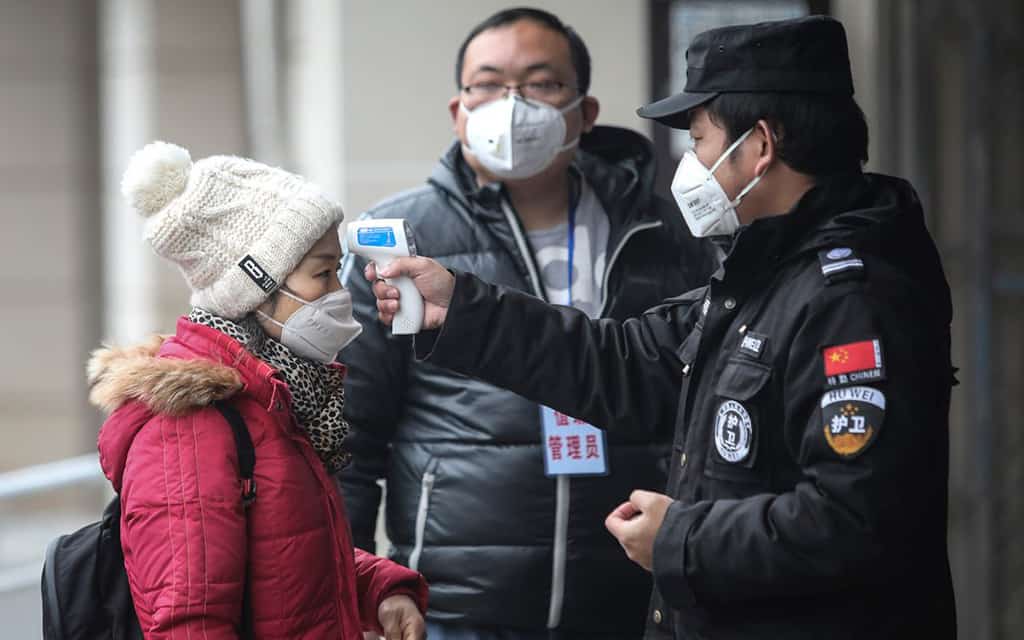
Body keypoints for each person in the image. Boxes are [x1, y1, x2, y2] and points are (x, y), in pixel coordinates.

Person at [363, 16, 957, 640]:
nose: (691, 163)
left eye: (699, 139)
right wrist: (460, 309)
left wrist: (680, 538)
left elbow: (853, 518)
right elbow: (628, 364)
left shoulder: (851, 298)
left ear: (759, 147)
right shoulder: (762, 276)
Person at [336, 7, 716, 640]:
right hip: (452, 609)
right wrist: (351, 585)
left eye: (541, 84)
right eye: (487, 85)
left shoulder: (670, 236)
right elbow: (350, 439)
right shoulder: (399, 242)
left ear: (584, 112)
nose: (511, 106)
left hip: (638, 599)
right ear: (458, 111)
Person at [88, 141, 428, 639]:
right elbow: (190, 622)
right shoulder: (190, 427)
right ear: (255, 286)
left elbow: (287, 560)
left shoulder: (272, 401)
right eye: (322, 273)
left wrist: (378, 591)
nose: (339, 291)